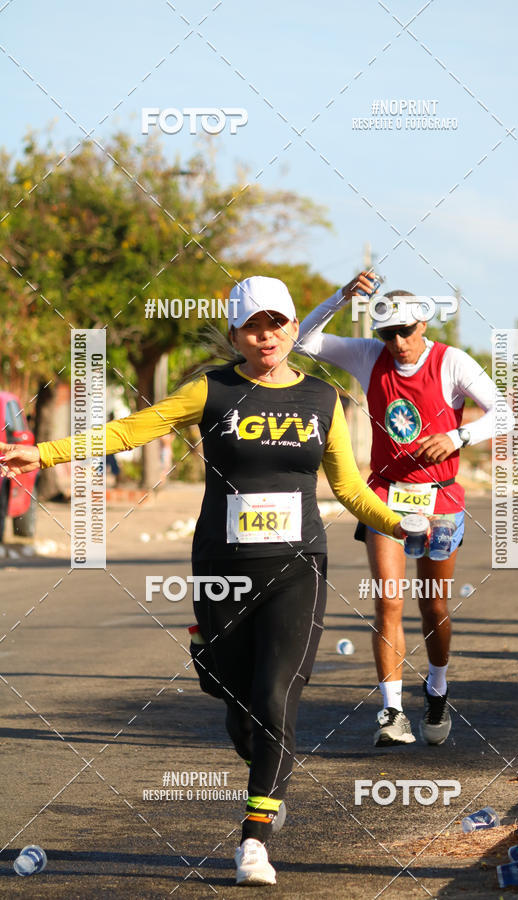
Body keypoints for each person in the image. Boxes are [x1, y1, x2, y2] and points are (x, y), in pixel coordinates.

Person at [0, 275, 408, 887]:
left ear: (294, 328)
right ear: (236, 334)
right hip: (222, 567)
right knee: (233, 696)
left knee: (276, 699)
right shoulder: (210, 391)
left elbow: (348, 487)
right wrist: (47, 454)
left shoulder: (325, 399)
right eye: (252, 325)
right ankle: (236, 711)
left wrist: (400, 523)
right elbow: (128, 431)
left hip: (298, 566)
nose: (265, 335)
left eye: (276, 323)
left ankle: (254, 840)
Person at [297, 272, 512, 749]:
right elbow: (302, 341)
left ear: (422, 325)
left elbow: (507, 412)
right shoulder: (368, 357)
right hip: (386, 496)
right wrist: (341, 297)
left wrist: (458, 437)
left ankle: (436, 690)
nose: (395, 343)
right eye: (386, 334)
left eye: (403, 332)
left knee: (433, 604)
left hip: (441, 499)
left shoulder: (451, 361)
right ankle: (391, 712)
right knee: (388, 600)